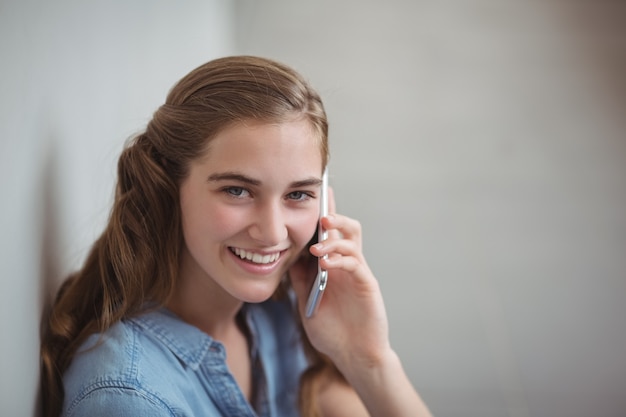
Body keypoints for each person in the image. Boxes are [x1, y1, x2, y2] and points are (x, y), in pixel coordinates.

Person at [40, 55, 432, 417]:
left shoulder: (277, 313)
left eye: (298, 194)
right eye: (237, 190)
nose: (273, 232)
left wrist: (368, 358)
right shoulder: (128, 397)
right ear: (166, 186)